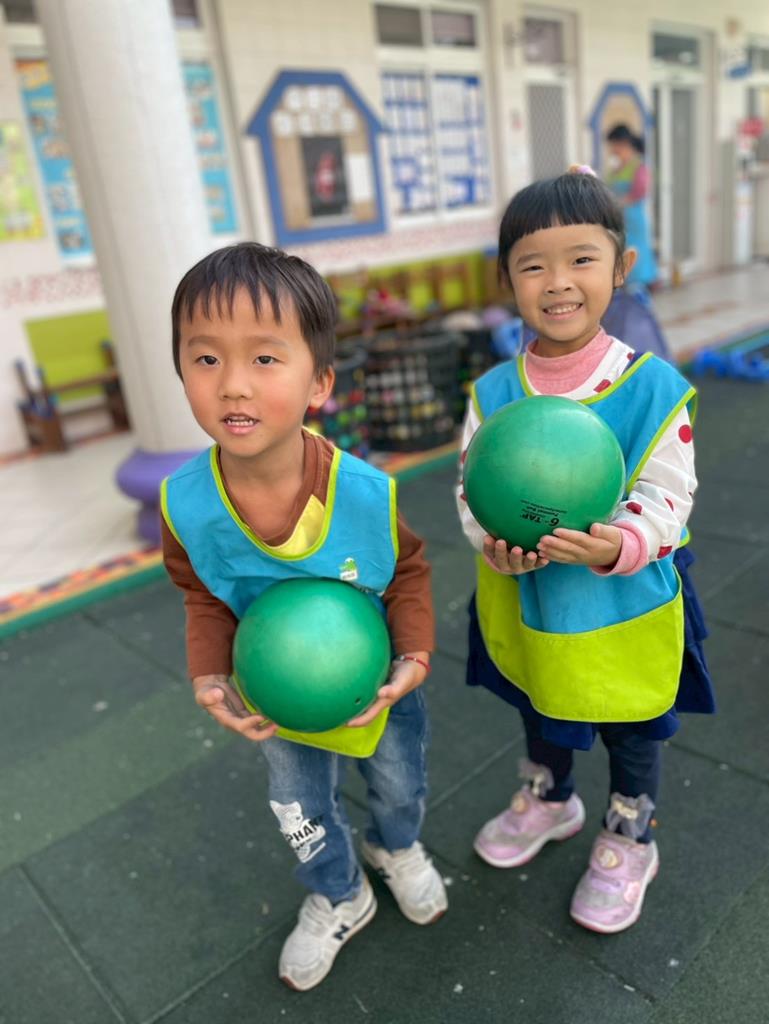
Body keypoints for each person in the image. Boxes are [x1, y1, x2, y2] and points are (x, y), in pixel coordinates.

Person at [161, 242, 447, 991]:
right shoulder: (187, 503)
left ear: (319, 381)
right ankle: (339, 891)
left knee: (399, 785)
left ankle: (395, 846)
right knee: (298, 806)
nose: (232, 384)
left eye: (264, 358)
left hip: (376, 685)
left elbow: (407, 571)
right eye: (205, 358)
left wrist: (412, 659)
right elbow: (202, 591)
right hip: (275, 697)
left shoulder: (363, 493)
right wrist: (209, 673)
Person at [456, 167, 713, 934]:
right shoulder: (492, 394)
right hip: (528, 596)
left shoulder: (651, 388)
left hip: (621, 600)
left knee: (631, 723)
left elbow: (669, 492)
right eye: (533, 265)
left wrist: (621, 541)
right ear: (507, 280)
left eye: (580, 259)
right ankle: (550, 796)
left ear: (620, 267)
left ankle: (629, 830)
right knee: (538, 700)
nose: (558, 282)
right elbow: (471, 487)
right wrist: (491, 543)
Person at [605, 124, 658, 297]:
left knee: (636, 257)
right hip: (618, 221)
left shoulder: (639, 166)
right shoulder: (616, 167)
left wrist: (616, 203)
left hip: (634, 220)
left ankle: (639, 296)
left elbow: (639, 192)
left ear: (623, 143)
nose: (612, 149)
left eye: (614, 144)